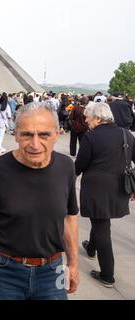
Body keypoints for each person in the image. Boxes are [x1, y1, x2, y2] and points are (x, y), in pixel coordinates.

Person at [0, 101, 79, 300]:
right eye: (26, 134)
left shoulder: (66, 167)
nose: (35, 144)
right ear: (15, 134)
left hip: (53, 270)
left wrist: (74, 264)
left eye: (44, 135)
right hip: (4, 271)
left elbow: (69, 218)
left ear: (56, 135)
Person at [75, 102, 134, 288]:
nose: (86, 120)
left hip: (97, 189)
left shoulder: (91, 137)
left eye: (88, 117)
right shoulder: (126, 134)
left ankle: (107, 275)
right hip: (119, 188)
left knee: (102, 227)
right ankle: (91, 248)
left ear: (98, 118)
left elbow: (79, 166)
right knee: (100, 220)